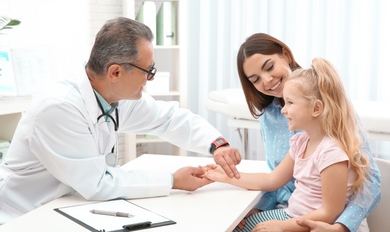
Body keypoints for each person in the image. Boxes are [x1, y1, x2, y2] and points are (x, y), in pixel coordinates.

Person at [0, 17, 241, 224]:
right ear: (115, 72)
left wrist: (217, 144)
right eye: (149, 71)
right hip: (24, 214)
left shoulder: (114, 96)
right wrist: (172, 180)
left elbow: (167, 118)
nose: (150, 79)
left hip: (70, 205)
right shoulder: (59, 107)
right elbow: (96, 183)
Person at [233, 33, 381, 232]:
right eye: (255, 79)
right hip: (290, 212)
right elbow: (276, 179)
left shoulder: (333, 128)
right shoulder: (274, 120)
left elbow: (369, 182)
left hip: (331, 222)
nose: (267, 80)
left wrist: (342, 226)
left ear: (285, 54)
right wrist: (259, 208)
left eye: (269, 67)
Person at [204, 58, 371, 231]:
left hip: (312, 224)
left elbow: (330, 212)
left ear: (316, 108)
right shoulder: (300, 142)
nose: (283, 109)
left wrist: (283, 227)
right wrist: (226, 176)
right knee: (232, 226)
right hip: (290, 215)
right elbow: (272, 180)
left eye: (290, 103)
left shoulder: (331, 153)